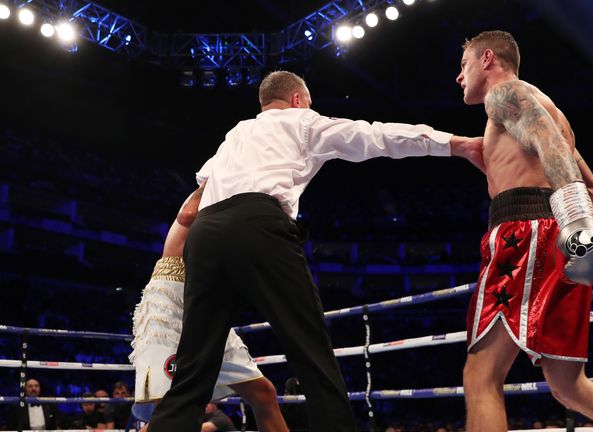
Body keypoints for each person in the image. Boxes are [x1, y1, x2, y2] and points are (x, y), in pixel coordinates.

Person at [147, 70, 484, 432]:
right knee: (309, 347)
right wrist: (455, 143)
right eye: (308, 102)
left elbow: (189, 210)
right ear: (296, 100)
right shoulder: (303, 121)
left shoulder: (236, 134)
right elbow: (376, 135)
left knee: (195, 363)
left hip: (205, 233)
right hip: (258, 225)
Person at [455, 31, 593, 431]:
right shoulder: (550, 109)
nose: (460, 77)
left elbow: (550, 147)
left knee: (481, 377)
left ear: (487, 59)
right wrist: (580, 236)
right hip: (559, 237)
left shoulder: (505, 94)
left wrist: (576, 224)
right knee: (569, 388)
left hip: (525, 233)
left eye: (464, 65)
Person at [130, 183, 289, 432]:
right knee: (174, 409)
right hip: (171, 299)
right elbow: (185, 215)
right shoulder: (214, 190)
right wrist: (211, 182)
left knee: (264, 392)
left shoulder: (244, 219)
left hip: (209, 305)